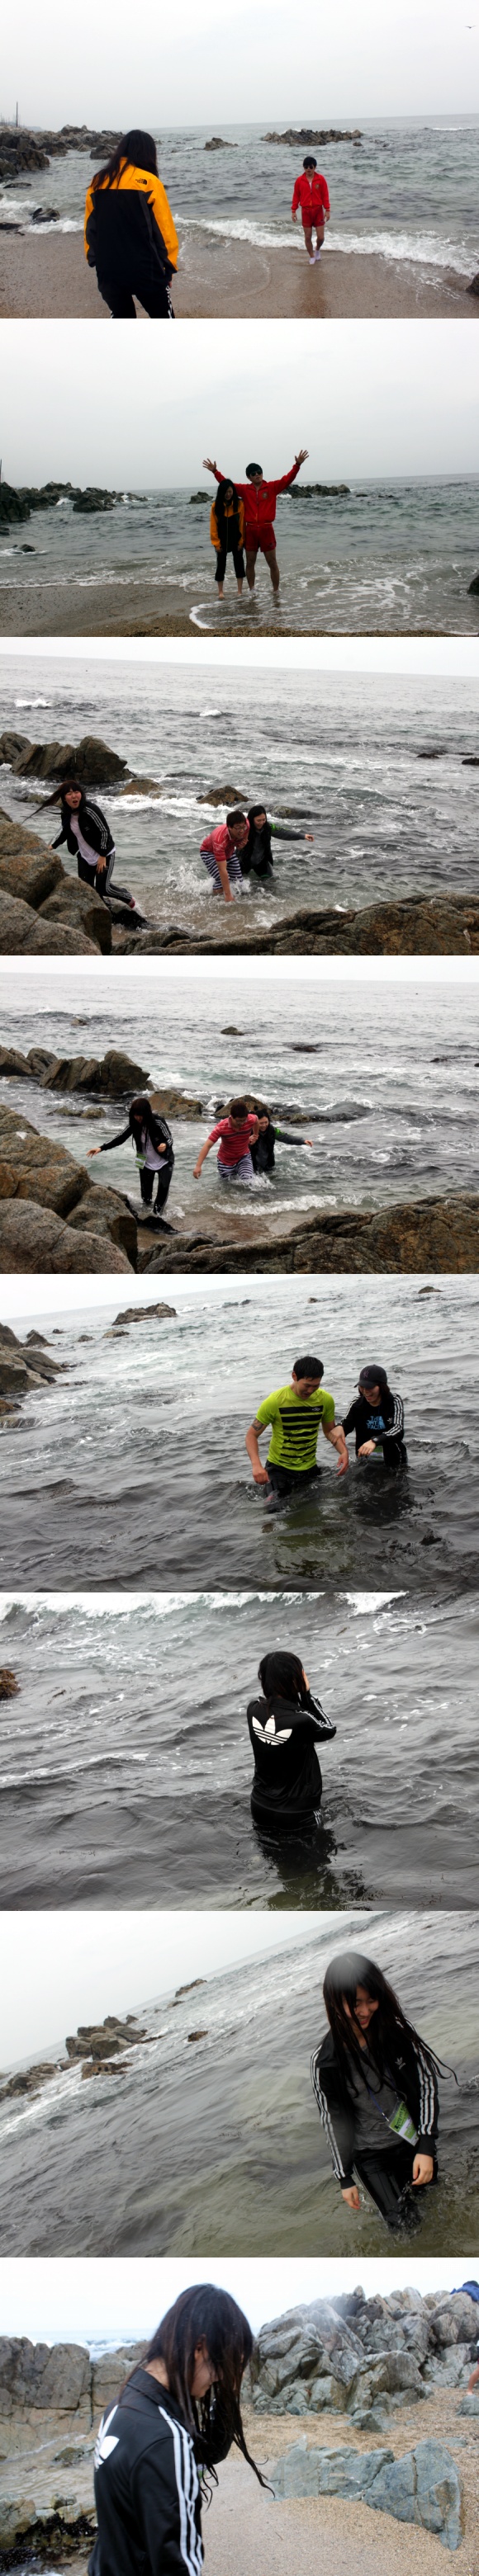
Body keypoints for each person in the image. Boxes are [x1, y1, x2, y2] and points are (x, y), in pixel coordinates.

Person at [89, 2281, 268, 2576]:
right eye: (223, 2366)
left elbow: (209, 2451)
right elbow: (178, 2567)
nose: (222, 2378)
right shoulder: (166, 2440)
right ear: (200, 2347)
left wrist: (228, 2387)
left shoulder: (123, 2404)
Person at [311, 1949, 446, 2234]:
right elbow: (332, 2121)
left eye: (371, 2000)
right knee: (404, 2230)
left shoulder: (397, 2033)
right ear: (334, 2001)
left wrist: (426, 2145)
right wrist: (344, 2177)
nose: (365, 2011)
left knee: (436, 2202)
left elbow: (426, 2084)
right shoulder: (325, 2061)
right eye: (355, 2003)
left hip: (411, 2139)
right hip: (371, 2156)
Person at [84, 129, 178, 318]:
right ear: (148, 153)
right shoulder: (149, 182)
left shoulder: (98, 181)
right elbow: (164, 231)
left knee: (122, 322)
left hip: (108, 270)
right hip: (146, 269)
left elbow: (90, 228)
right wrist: (168, 269)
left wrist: (93, 259)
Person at [247, 1649, 336, 1835]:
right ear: (294, 1680)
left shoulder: (253, 1709)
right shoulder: (302, 1720)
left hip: (260, 1805)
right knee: (318, 1852)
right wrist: (307, 1695)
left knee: (269, 1849)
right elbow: (329, 1729)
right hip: (298, 1813)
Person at [245, 1354, 349, 1512]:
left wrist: (343, 1452)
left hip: (309, 1468)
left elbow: (329, 1431)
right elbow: (251, 1435)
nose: (311, 1390)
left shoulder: (325, 1400)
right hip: (279, 1469)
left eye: (316, 1386)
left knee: (313, 1511)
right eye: (307, 1385)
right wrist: (256, 1465)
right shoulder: (275, 1401)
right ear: (294, 1376)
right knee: (273, 1511)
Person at [40, 781, 149, 929]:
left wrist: (102, 855)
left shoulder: (90, 810)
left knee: (104, 888)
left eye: (76, 792)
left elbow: (104, 831)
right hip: (85, 856)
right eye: (69, 794)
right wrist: (52, 846)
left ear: (81, 794)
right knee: (89, 890)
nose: (74, 796)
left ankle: (128, 897)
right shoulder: (67, 813)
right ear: (65, 798)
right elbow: (66, 831)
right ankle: (105, 916)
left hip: (104, 854)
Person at [203, 451, 309, 593]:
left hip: (267, 529)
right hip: (251, 529)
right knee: (250, 562)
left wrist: (297, 465)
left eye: (259, 472)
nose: (257, 475)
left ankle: (276, 591)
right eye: (253, 474)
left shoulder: (272, 487)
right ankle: (252, 590)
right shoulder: (245, 490)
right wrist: (215, 472)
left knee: (272, 562)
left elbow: (287, 479)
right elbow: (227, 485)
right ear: (249, 477)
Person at [88, 1094, 176, 1231]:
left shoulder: (158, 1122)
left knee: (163, 1187)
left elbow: (169, 1138)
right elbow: (120, 1138)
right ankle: (146, 1216)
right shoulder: (133, 1124)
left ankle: (157, 1216)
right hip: (144, 1161)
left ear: (147, 1113)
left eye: (140, 1115)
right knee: (145, 1196)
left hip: (164, 1160)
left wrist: (165, 1145)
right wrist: (101, 1148)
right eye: (135, 1115)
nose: (138, 1118)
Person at [340, 1366, 406, 1473]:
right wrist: (338, 1430)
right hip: (365, 1460)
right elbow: (346, 1425)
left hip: (394, 1460)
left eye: (369, 1387)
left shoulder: (394, 1401)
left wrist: (375, 1441)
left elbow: (398, 1429)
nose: (365, 1391)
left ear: (382, 1386)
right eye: (362, 1387)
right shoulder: (357, 1403)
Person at [193, 1098, 262, 1189]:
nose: (242, 1123)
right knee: (228, 1187)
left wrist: (255, 1135)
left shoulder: (250, 1119)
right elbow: (207, 1146)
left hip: (243, 1157)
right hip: (225, 1161)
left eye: (244, 1120)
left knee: (248, 1182)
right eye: (239, 1121)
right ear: (231, 1117)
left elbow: (256, 1121)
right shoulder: (221, 1127)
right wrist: (198, 1166)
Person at [240, 807, 315, 882]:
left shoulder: (268, 827)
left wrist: (303, 836)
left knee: (269, 882)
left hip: (261, 861)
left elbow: (283, 833)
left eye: (264, 820)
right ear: (251, 819)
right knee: (237, 882)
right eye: (258, 820)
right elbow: (232, 836)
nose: (262, 823)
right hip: (243, 860)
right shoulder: (243, 829)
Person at [248, 1102, 314, 1174]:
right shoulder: (248, 1131)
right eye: (261, 1123)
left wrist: (303, 1141)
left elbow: (286, 1137)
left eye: (266, 1122)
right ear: (256, 1123)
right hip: (251, 1167)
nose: (264, 1125)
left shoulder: (272, 1131)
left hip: (268, 1166)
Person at [199, 811, 249, 903]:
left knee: (239, 883)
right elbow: (222, 870)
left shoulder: (246, 825)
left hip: (229, 851)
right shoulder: (220, 840)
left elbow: (247, 827)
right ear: (229, 827)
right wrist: (228, 895)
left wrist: (244, 840)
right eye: (238, 828)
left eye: (243, 827)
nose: (242, 830)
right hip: (209, 852)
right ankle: (216, 901)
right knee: (222, 881)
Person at [210, 479, 246, 598]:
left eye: (230, 491)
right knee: (221, 565)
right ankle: (220, 592)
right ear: (221, 492)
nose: (228, 494)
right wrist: (216, 543)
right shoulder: (216, 506)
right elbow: (213, 526)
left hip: (236, 539)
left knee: (239, 564)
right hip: (221, 541)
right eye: (225, 492)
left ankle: (239, 591)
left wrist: (241, 541)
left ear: (233, 491)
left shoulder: (239, 504)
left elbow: (242, 524)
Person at [292, 156, 330, 262]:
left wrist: (327, 210)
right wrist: (294, 211)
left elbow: (325, 195)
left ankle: (317, 250)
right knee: (308, 237)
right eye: (306, 167)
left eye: (310, 167)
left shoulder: (321, 179)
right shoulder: (299, 180)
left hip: (318, 210)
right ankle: (312, 256)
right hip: (306, 211)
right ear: (303, 168)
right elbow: (296, 196)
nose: (308, 169)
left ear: (315, 167)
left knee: (321, 237)